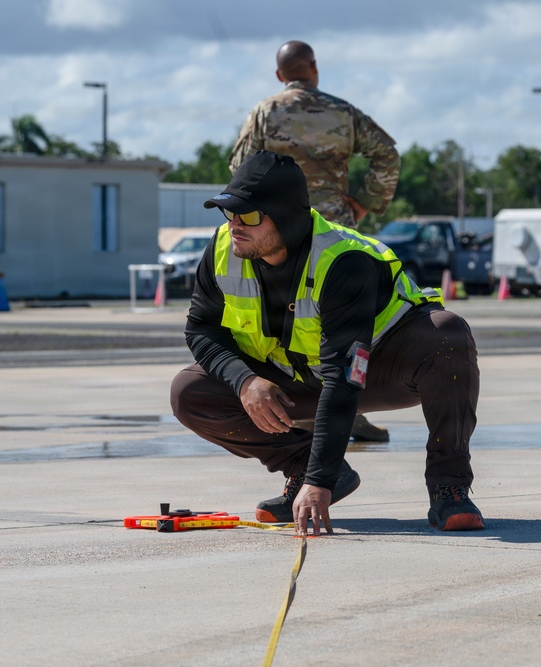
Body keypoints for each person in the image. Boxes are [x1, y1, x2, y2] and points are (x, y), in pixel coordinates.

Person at [170, 150, 484, 535]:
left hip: (376, 370)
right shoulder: (222, 249)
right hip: (294, 377)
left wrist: (318, 483)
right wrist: (246, 381)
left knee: (447, 334)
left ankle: (448, 487)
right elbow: (200, 328)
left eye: (248, 215)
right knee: (190, 391)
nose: (235, 224)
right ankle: (303, 467)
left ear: (284, 217)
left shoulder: (343, 261)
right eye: (228, 213)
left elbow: (345, 374)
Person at [230, 39, 400, 443]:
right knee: (354, 324)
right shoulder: (342, 112)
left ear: (280, 75)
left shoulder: (266, 112)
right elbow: (386, 154)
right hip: (338, 230)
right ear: (315, 69)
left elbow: (241, 168)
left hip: (284, 230)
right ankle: (352, 409)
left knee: (294, 319)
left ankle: (302, 411)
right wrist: (366, 203)